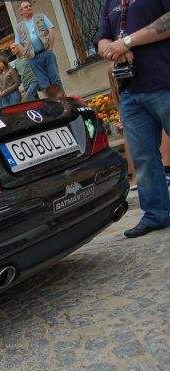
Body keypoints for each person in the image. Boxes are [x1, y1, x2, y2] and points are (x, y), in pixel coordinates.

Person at [98, 0, 170, 238]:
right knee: (143, 157)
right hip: (130, 90)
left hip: (164, 80)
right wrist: (113, 49)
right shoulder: (110, 3)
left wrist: (126, 42)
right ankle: (156, 215)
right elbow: (102, 40)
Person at [14, 1, 62, 93]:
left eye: (30, 6)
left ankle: (63, 100)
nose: (29, 8)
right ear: (21, 12)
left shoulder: (41, 17)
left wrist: (50, 47)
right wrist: (26, 55)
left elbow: (51, 30)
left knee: (55, 79)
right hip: (34, 58)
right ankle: (50, 104)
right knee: (44, 83)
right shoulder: (19, 27)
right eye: (26, 7)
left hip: (46, 53)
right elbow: (18, 44)